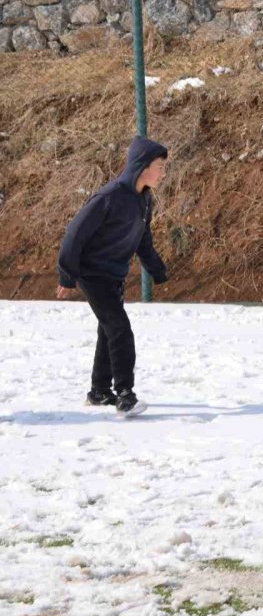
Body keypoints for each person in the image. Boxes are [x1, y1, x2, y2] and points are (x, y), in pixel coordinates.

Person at [56, 136, 170, 417]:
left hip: (114, 274)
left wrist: (156, 268)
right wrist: (66, 275)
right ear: (142, 167)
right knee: (119, 328)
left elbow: (143, 239)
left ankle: (99, 391)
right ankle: (125, 394)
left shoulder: (144, 200)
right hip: (92, 273)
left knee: (108, 329)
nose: (163, 172)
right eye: (159, 166)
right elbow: (74, 235)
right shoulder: (109, 198)